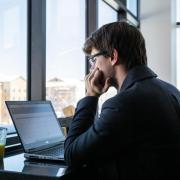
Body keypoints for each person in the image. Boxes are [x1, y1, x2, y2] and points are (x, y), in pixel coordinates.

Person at [64, 21, 180, 179]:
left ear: (113, 56)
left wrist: (91, 96)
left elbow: (72, 155)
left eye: (93, 60)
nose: (91, 69)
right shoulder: (171, 90)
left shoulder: (123, 104)